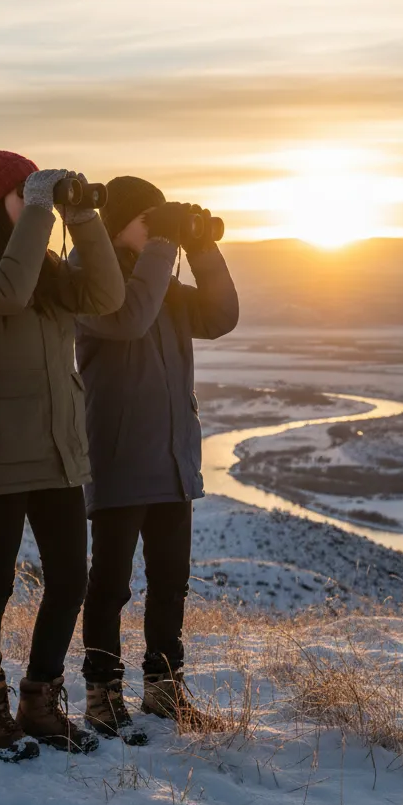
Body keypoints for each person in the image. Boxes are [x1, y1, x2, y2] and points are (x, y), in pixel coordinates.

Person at [0, 140, 125, 762]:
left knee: (70, 577)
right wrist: (44, 211)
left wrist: (84, 218)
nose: (38, 204)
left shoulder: (44, 263)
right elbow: (8, 290)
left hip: (57, 445)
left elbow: (106, 296)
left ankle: (39, 702)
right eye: (26, 194)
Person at [75, 177, 238, 744]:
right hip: (119, 458)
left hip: (171, 459)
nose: (158, 230)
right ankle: (103, 693)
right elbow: (131, 316)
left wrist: (200, 246)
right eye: (149, 219)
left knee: (170, 583)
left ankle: (164, 690)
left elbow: (221, 315)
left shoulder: (163, 288)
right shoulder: (94, 287)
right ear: (118, 224)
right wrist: (168, 243)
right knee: (111, 585)